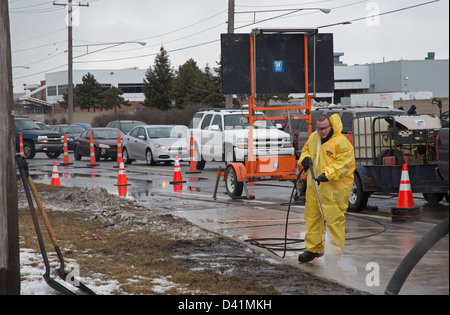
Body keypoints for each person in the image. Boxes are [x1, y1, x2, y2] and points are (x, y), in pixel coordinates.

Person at [298, 114, 355, 262]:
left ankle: (334, 255)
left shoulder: (341, 142)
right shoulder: (313, 138)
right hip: (314, 186)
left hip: (334, 188)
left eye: (325, 128)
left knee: (334, 221)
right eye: (319, 129)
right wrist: (304, 159)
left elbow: (344, 163)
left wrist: (328, 174)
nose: (322, 132)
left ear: (330, 126)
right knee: (312, 218)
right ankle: (313, 249)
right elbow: (305, 150)